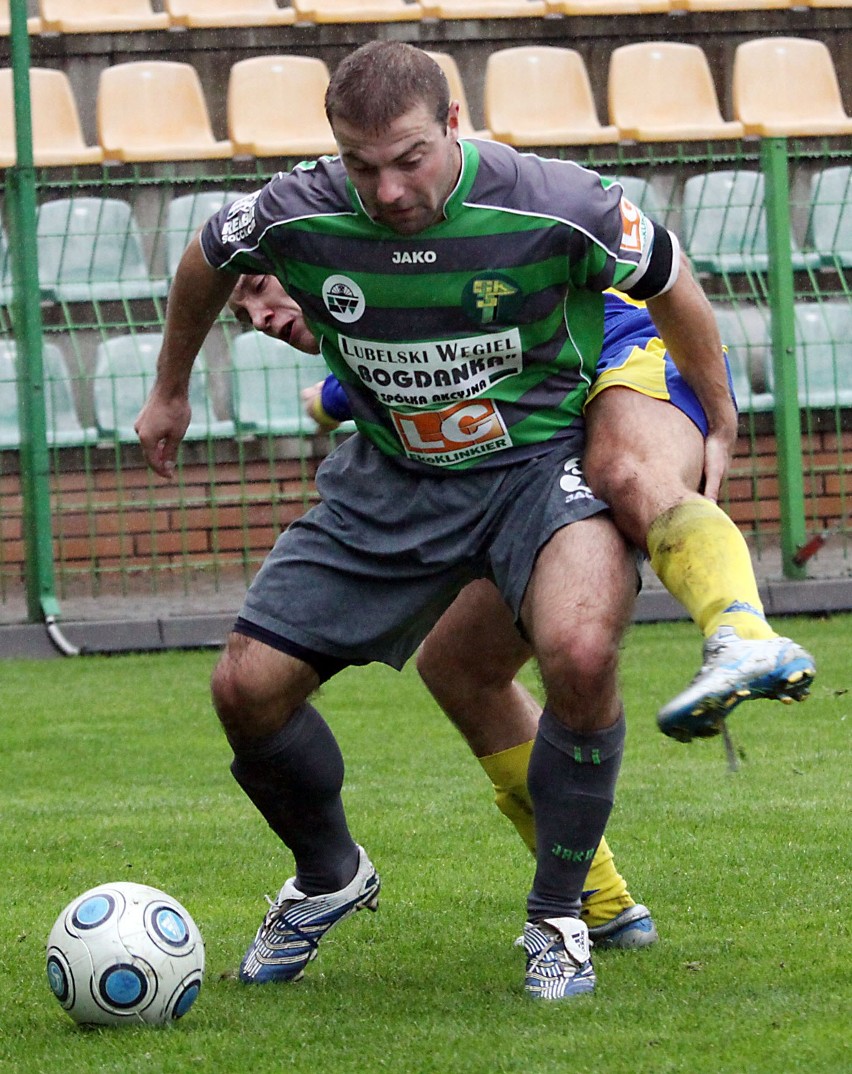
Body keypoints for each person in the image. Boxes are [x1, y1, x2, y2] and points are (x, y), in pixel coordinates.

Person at [135, 42, 810, 1001]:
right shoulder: (304, 232)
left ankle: (577, 892)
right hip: (399, 485)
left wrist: (721, 409)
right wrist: (171, 393)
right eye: (363, 167)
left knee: (603, 570)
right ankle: (339, 877)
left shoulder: (552, 202)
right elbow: (207, 258)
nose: (388, 189)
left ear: (456, 125)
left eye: (408, 159)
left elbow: (666, 275)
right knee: (278, 686)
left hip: (562, 434)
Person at [230, 274, 817, 949]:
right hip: (537, 433)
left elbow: (648, 264)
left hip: (623, 354)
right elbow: (409, 364)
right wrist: (335, 395)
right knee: (458, 666)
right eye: (243, 313)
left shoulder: (407, 252)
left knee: (626, 472)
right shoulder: (358, 325)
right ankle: (601, 902)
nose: (260, 316)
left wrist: (328, 399)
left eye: (258, 288)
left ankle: (741, 633)